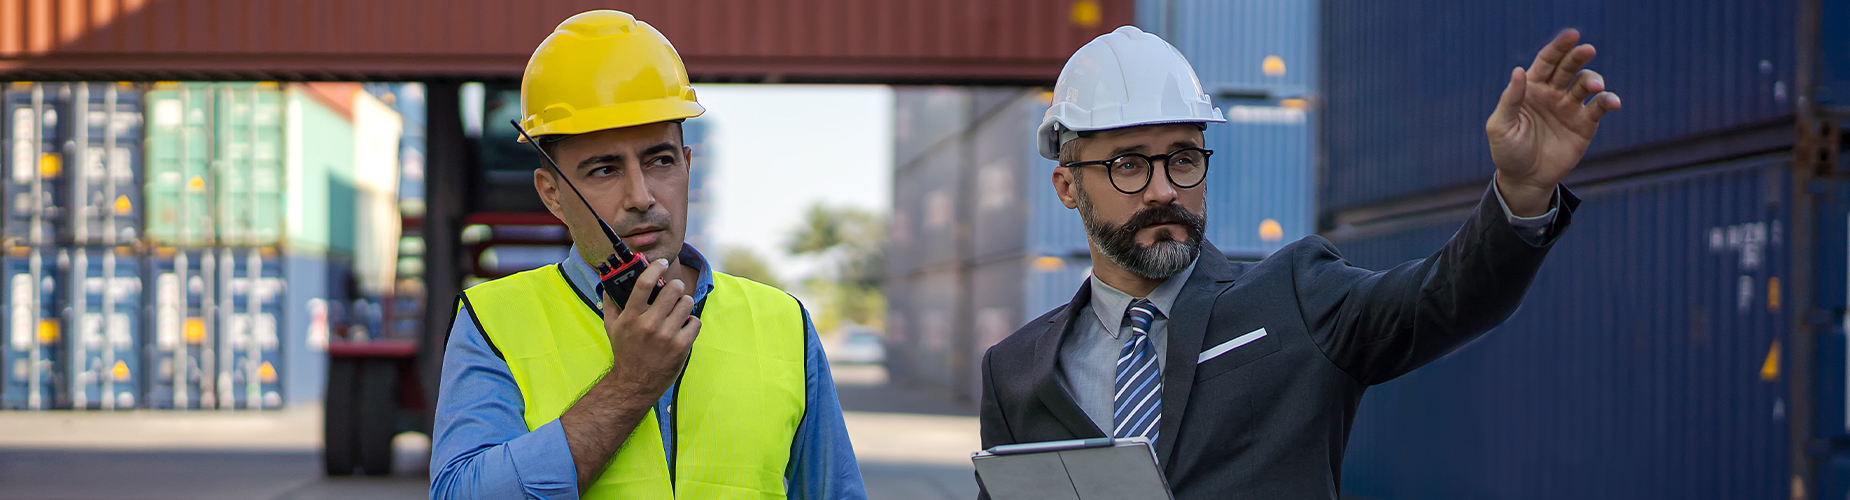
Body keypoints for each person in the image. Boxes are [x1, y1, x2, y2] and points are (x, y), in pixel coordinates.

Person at [978, 26, 1618, 498]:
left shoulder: (1295, 298)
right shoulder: (1016, 373)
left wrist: (1523, 194)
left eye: (1182, 157)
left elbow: (1448, 297)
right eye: (1127, 164)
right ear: (1067, 187)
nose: (1163, 189)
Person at [429, 10, 866, 499]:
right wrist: (631, 384)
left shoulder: (783, 324)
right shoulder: (494, 322)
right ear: (551, 193)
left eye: (660, 160)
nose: (641, 196)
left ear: (687, 164)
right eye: (603, 170)